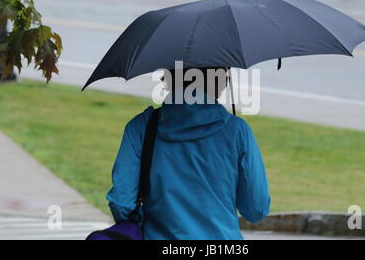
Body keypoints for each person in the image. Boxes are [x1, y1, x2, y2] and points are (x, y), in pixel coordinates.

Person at [106, 67, 270, 240]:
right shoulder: (237, 130)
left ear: (168, 76)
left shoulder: (141, 127)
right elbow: (256, 209)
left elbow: (122, 203)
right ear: (219, 80)